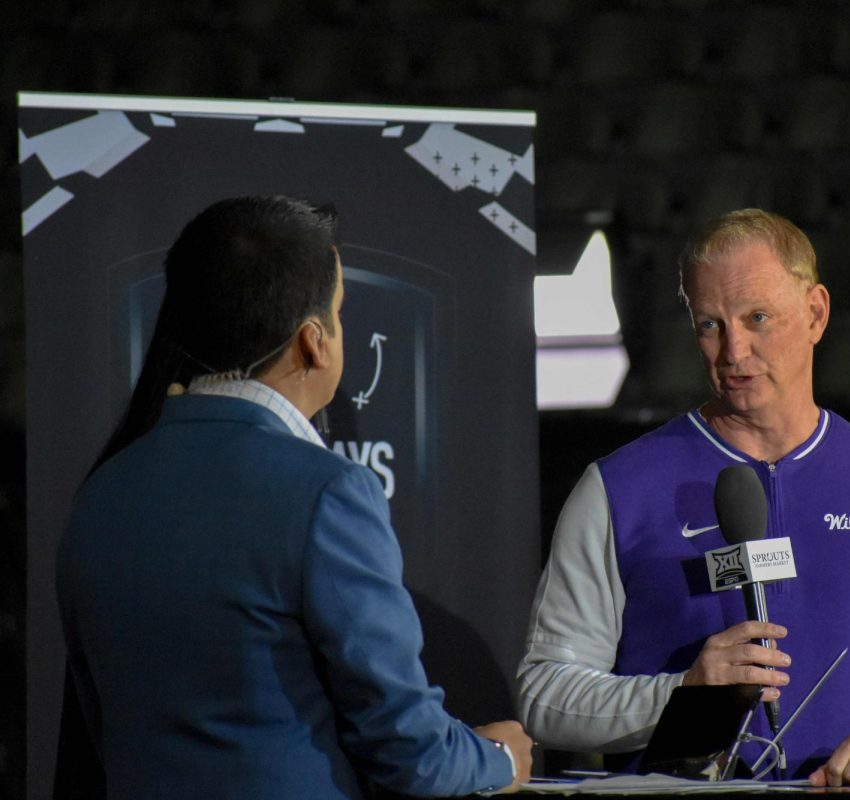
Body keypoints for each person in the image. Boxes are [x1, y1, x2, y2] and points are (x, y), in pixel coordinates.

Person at [56, 195, 532, 798]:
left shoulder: (103, 491)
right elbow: (412, 754)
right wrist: (497, 758)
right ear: (315, 342)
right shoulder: (329, 492)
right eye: (338, 311)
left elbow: (99, 725)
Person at [518, 209, 850, 787]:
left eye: (757, 318)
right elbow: (545, 695)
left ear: (815, 314)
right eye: (709, 324)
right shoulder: (617, 489)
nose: (733, 351)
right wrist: (679, 694)